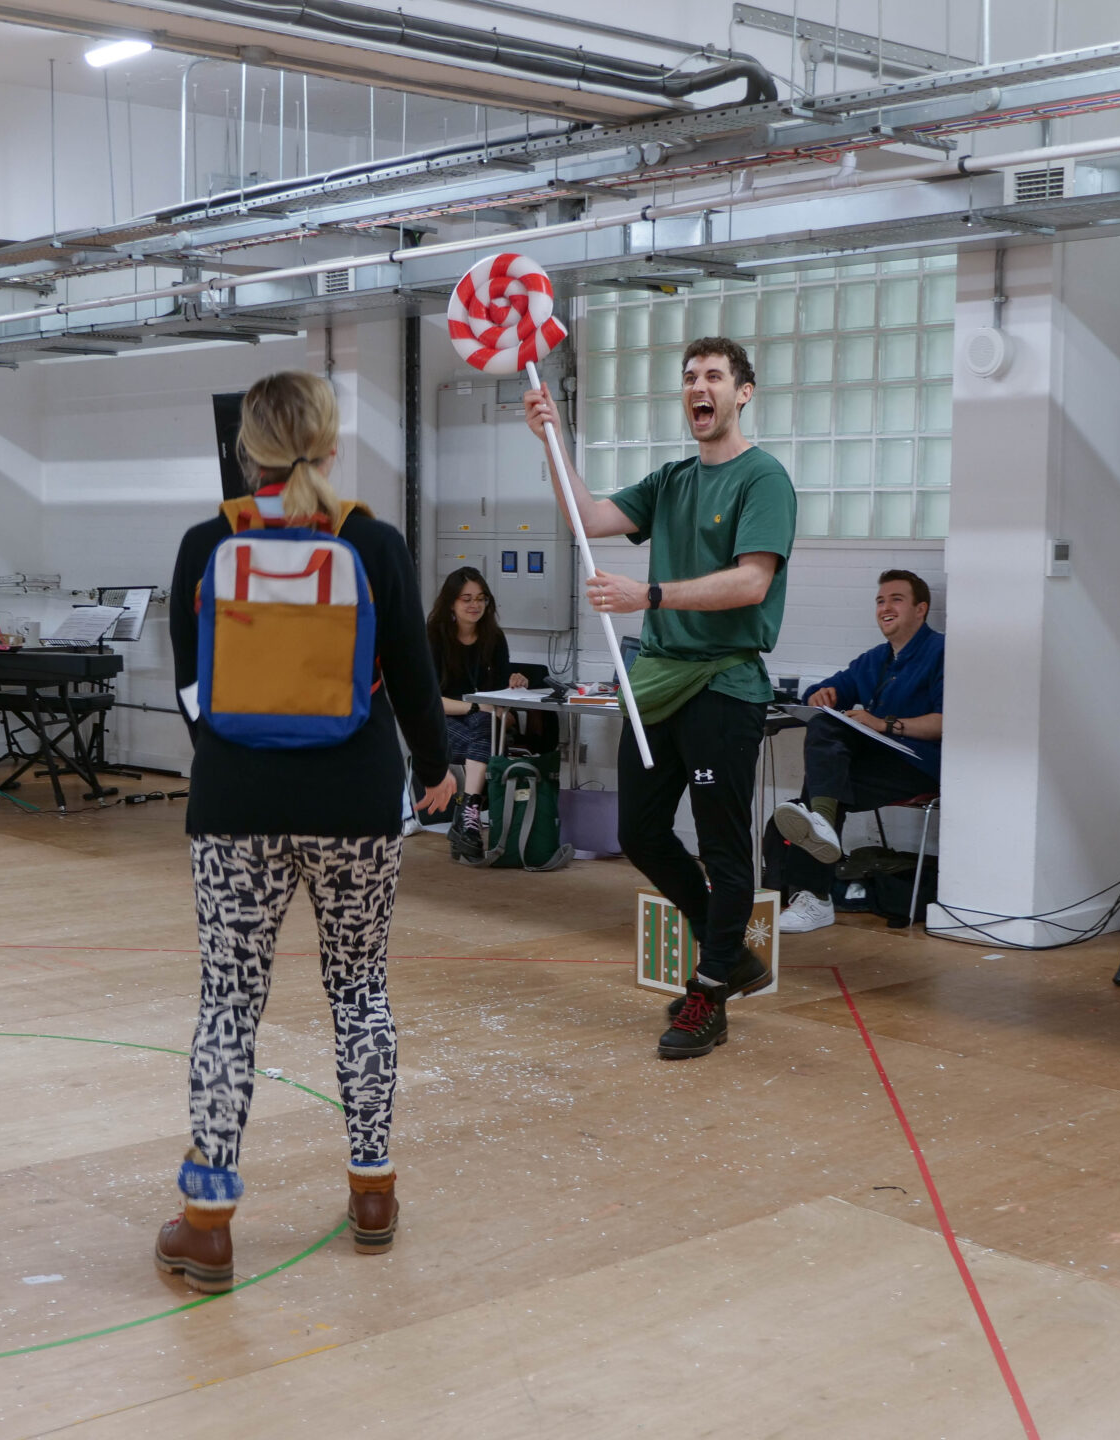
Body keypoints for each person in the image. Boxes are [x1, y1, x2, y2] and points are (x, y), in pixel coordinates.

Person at [159, 370, 456, 1293]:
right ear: (331, 447)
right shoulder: (373, 542)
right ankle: (372, 1192)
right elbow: (412, 671)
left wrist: (228, 757)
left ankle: (208, 1224)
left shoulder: (209, 542)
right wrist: (439, 767)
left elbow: (189, 686)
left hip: (237, 807)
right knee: (359, 988)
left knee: (229, 1004)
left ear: (248, 450)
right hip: (356, 802)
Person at [525, 336, 795, 1061]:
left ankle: (710, 991)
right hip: (659, 681)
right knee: (641, 832)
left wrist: (645, 593)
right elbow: (585, 515)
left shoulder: (764, 479)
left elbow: (751, 583)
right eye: (689, 378)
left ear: (744, 392)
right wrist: (552, 437)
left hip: (724, 686)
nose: (698, 387)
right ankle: (727, 949)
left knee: (722, 846)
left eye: (713, 376)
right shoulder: (671, 480)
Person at [770, 570, 944, 933]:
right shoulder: (876, 659)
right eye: (880, 600)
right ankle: (788, 885)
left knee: (805, 806)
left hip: (917, 765)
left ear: (921, 609)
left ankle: (813, 896)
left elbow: (949, 721)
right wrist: (822, 694)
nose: (885, 607)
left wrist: (887, 724)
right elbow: (828, 689)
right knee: (823, 724)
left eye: (896, 599)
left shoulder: (941, 652)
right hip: (876, 762)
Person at [426, 566, 529, 859]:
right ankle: (469, 817)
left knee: (484, 726)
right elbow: (428, 701)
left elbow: (498, 703)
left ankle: (467, 817)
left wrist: (514, 687)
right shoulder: (433, 637)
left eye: (481, 598)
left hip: (483, 727)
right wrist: (476, 706)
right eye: (466, 599)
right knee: (484, 728)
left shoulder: (493, 639)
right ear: (451, 604)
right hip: (440, 724)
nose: (475, 605)